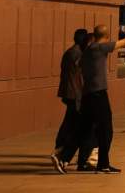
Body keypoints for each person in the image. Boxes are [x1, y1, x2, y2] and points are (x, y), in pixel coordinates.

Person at [55, 25, 125, 174]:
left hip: (87, 94)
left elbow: (79, 66)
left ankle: (63, 158)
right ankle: (102, 164)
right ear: (106, 36)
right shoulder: (100, 47)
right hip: (98, 94)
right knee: (106, 130)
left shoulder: (87, 50)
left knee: (84, 129)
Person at [52, 29, 93, 171]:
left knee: (69, 122)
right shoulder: (77, 54)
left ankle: (61, 150)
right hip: (75, 95)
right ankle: (62, 151)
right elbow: (79, 77)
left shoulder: (70, 52)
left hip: (70, 93)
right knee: (74, 125)